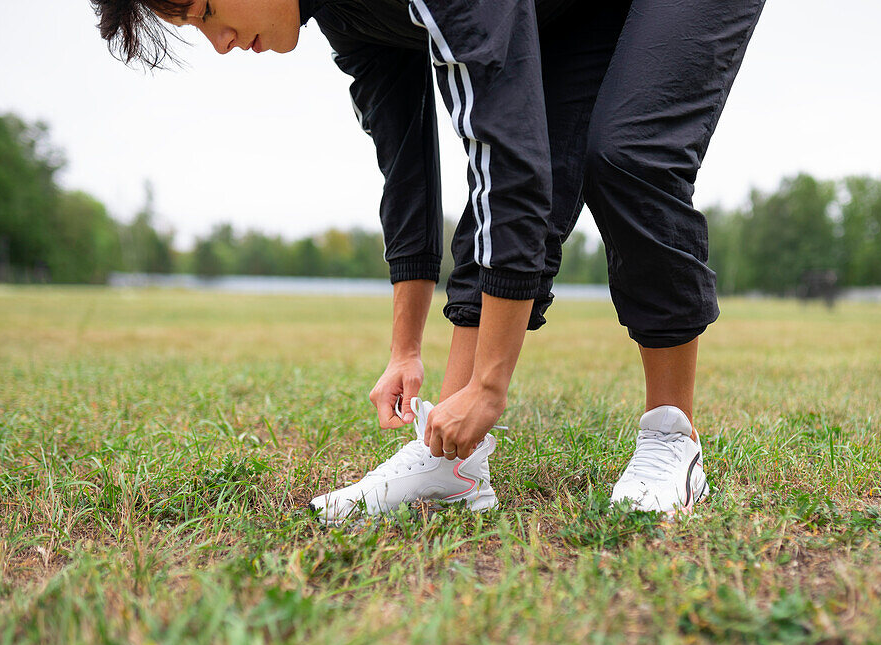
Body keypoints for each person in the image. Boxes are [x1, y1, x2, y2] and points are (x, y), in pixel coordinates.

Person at [92, 0, 765, 517]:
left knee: (626, 155)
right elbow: (407, 167)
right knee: (511, 173)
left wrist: (491, 386)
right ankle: (454, 462)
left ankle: (672, 439)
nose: (222, 42)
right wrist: (404, 348)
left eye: (209, 11)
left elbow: (504, 151)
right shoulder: (346, 15)